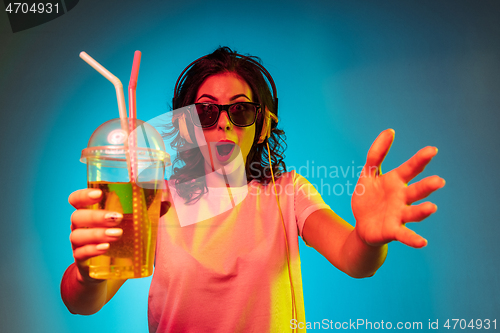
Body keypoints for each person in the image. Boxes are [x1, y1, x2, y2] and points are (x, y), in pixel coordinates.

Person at [61, 47, 445, 332]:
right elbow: (81, 302)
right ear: (185, 128)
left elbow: (354, 258)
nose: (223, 124)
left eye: (240, 110)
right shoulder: (153, 199)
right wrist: (88, 273)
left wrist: (367, 238)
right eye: (206, 111)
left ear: (260, 126)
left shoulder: (287, 193)